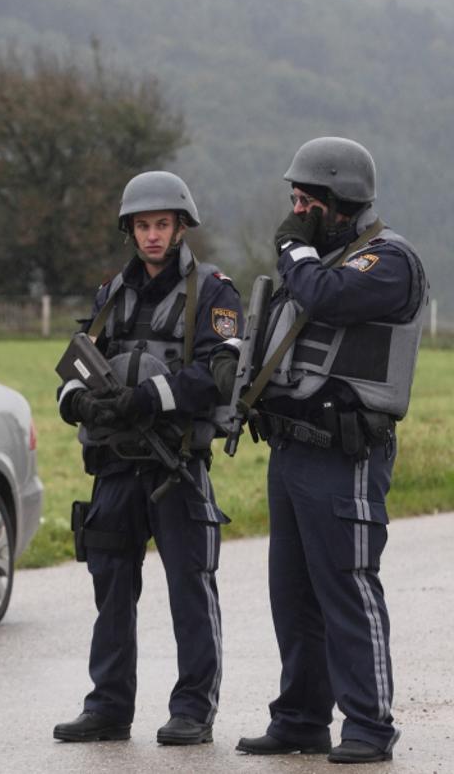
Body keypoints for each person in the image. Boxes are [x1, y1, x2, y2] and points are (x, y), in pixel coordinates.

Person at [233, 137, 426, 764]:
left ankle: (369, 727)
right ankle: (300, 720)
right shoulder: (320, 260)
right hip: (293, 450)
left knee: (346, 587)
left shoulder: (388, 262)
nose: (294, 210)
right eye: (292, 199)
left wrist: (294, 248)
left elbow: (329, 297)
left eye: (305, 199)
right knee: (292, 594)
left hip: (346, 455)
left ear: (340, 200)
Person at [53, 171, 241, 746]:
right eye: (142, 226)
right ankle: (108, 707)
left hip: (175, 465)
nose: (152, 235)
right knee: (110, 585)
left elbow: (219, 372)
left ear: (180, 227)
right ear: (130, 231)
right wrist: (78, 401)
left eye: (162, 224)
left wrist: (146, 399)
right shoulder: (112, 293)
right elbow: (74, 366)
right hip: (114, 465)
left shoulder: (214, 291)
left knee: (190, 585)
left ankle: (193, 709)